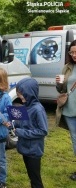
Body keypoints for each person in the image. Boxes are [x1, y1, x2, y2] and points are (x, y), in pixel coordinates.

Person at [12, 77, 48, 188]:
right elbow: (22, 124)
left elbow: (43, 131)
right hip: (25, 148)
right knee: (31, 177)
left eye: (20, 94)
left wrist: (20, 132)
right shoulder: (25, 107)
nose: (18, 96)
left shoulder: (38, 109)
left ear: (29, 92)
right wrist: (12, 124)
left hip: (34, 151)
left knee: (36, 180)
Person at [55, 40, 76, 181]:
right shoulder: (67, 67)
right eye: (71, 52)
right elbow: (61, 89)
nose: (74, 54)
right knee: (75, 140)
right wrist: (59, 83)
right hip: (69, 110)